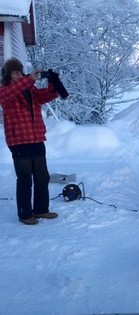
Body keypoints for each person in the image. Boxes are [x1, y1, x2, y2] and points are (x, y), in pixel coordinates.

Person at [0, 58, 60, 225]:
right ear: (7, 75)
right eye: (14, 72)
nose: (18, 74)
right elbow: (11, 91)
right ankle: (25, 214)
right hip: (19, 141)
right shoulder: (5, 91)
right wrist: (29, 80)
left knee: (42, 176)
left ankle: (41, 210)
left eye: (20, 71)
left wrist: (53, 82)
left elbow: (47, 96)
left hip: (36, 138)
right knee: (25, 178)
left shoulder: (30, 89)